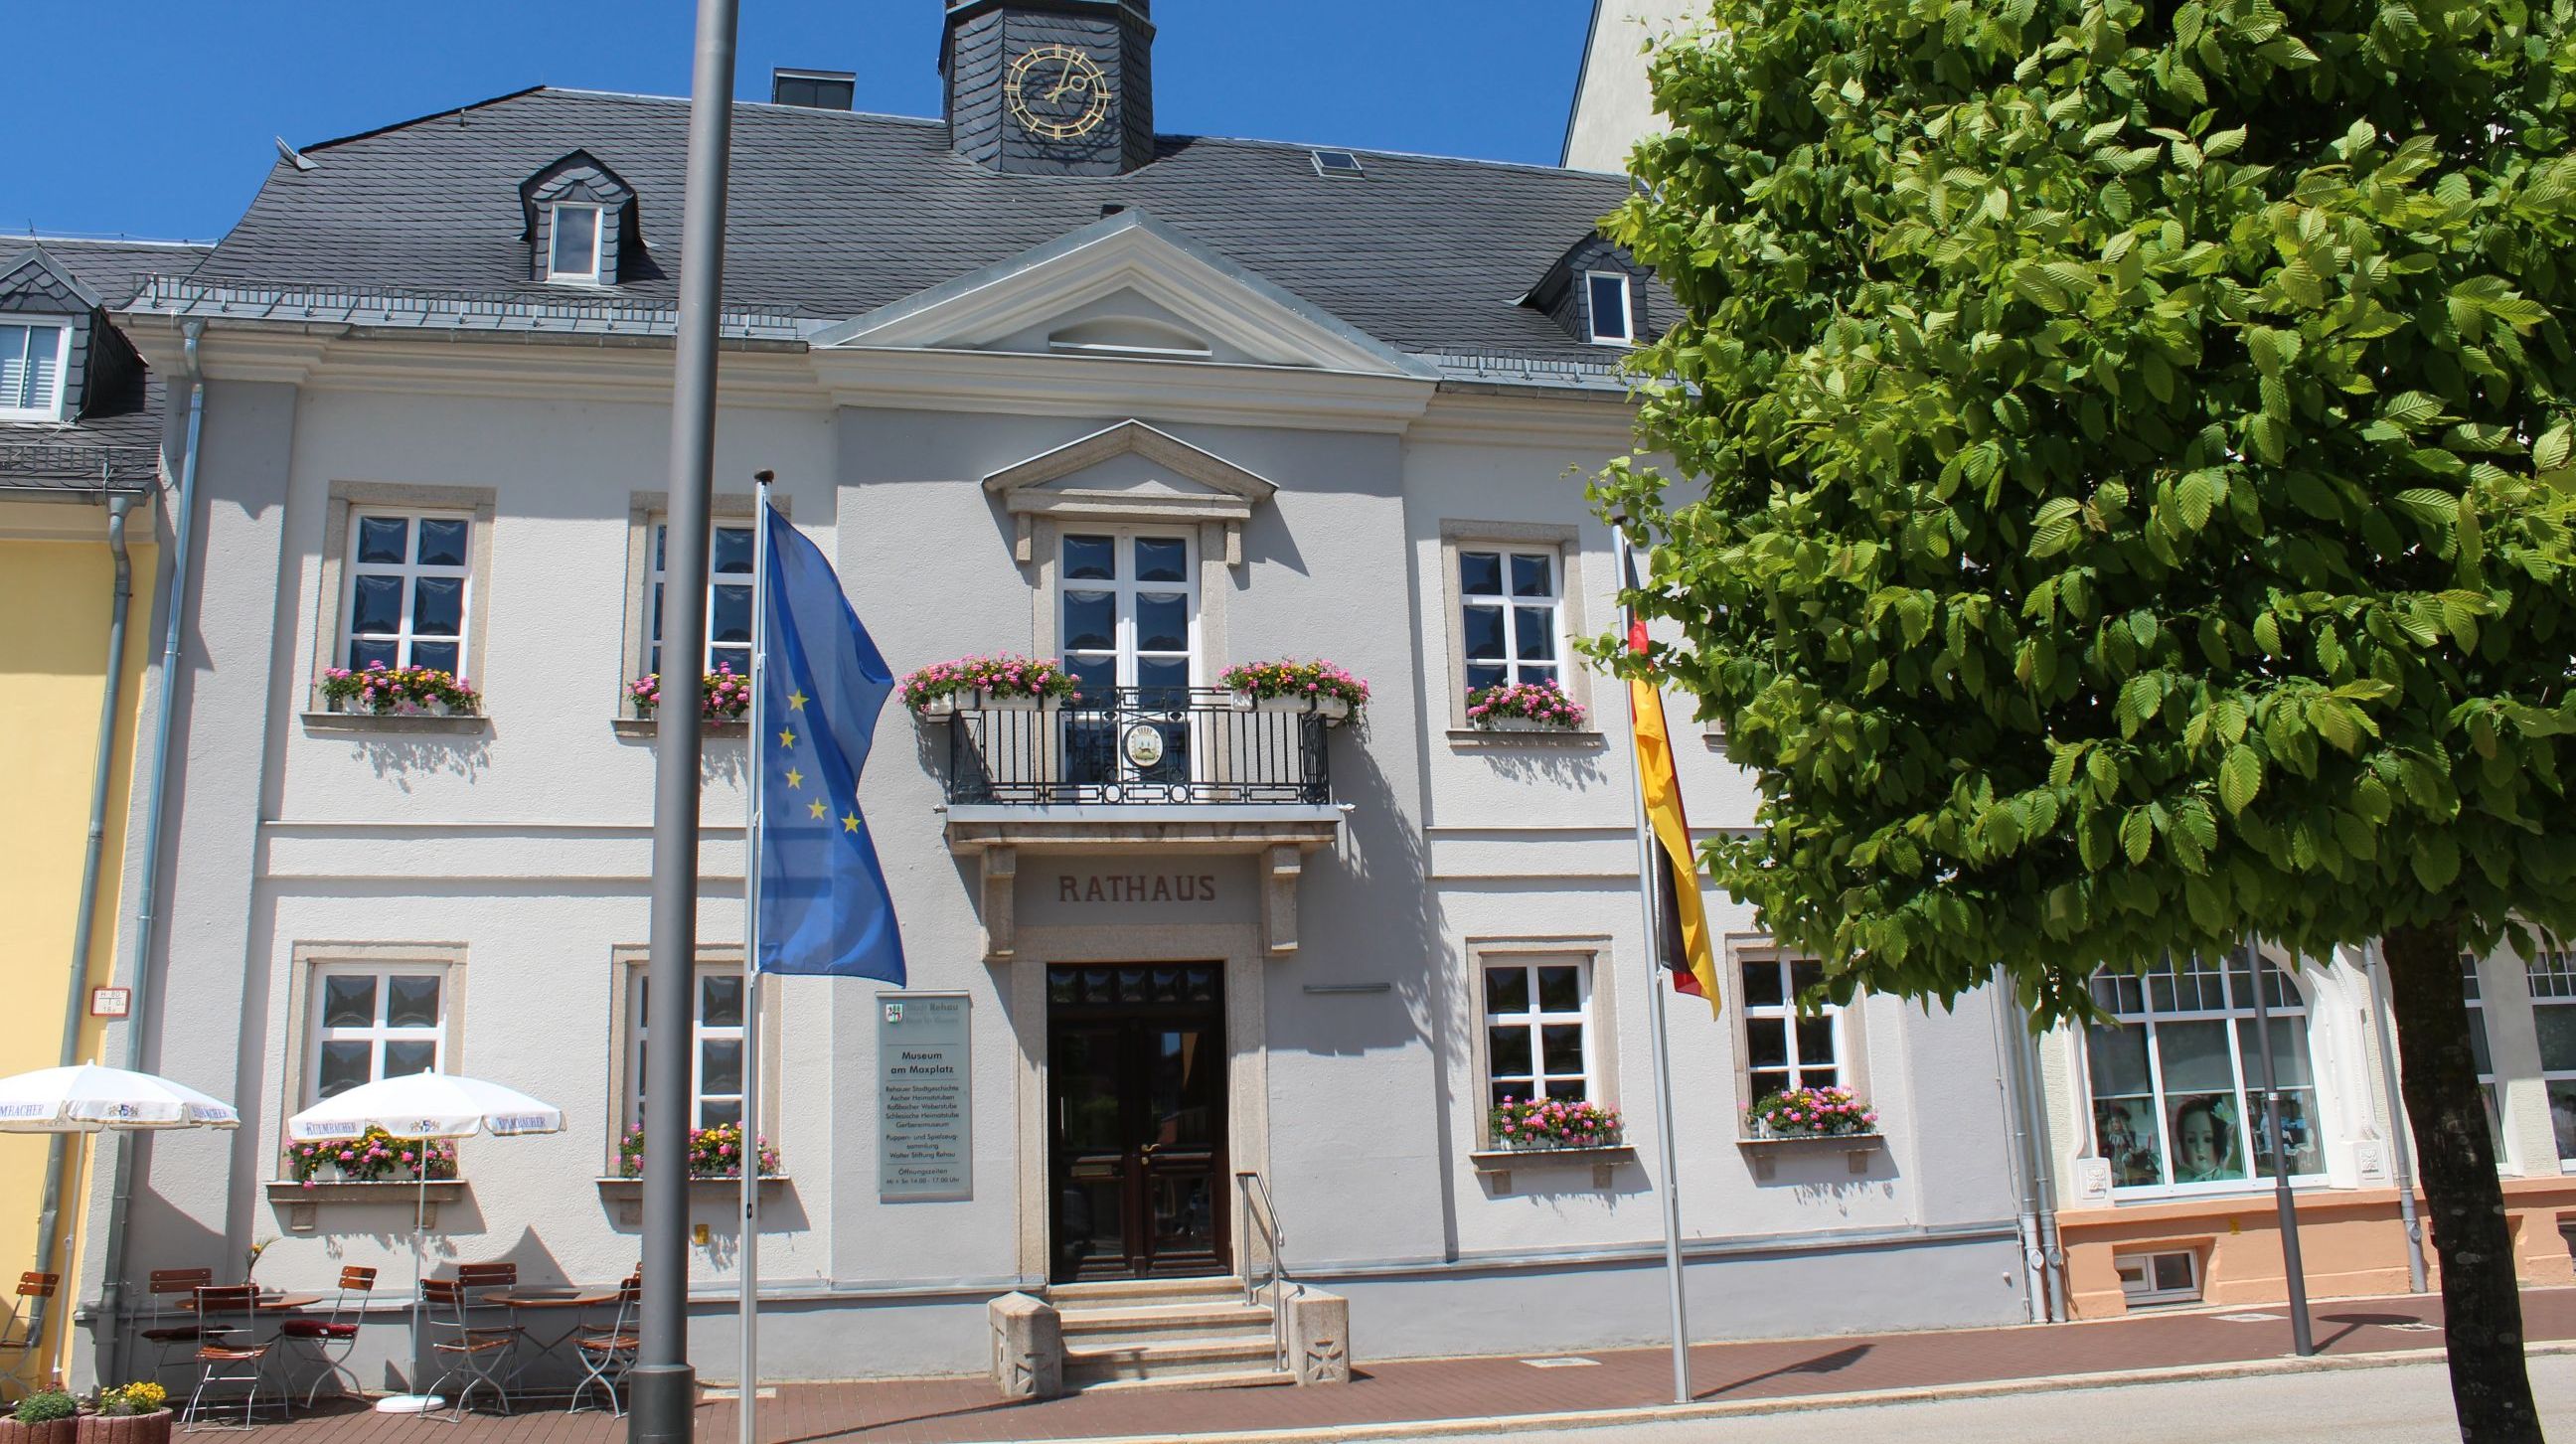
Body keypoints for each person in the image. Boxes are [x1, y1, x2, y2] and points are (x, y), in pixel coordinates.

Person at [2173, 1096, 2240, 1183]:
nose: (2199, 1148)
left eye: (2208, 1139)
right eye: (2191, 1140)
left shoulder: (2235, 1180)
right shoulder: (2176, 1182)